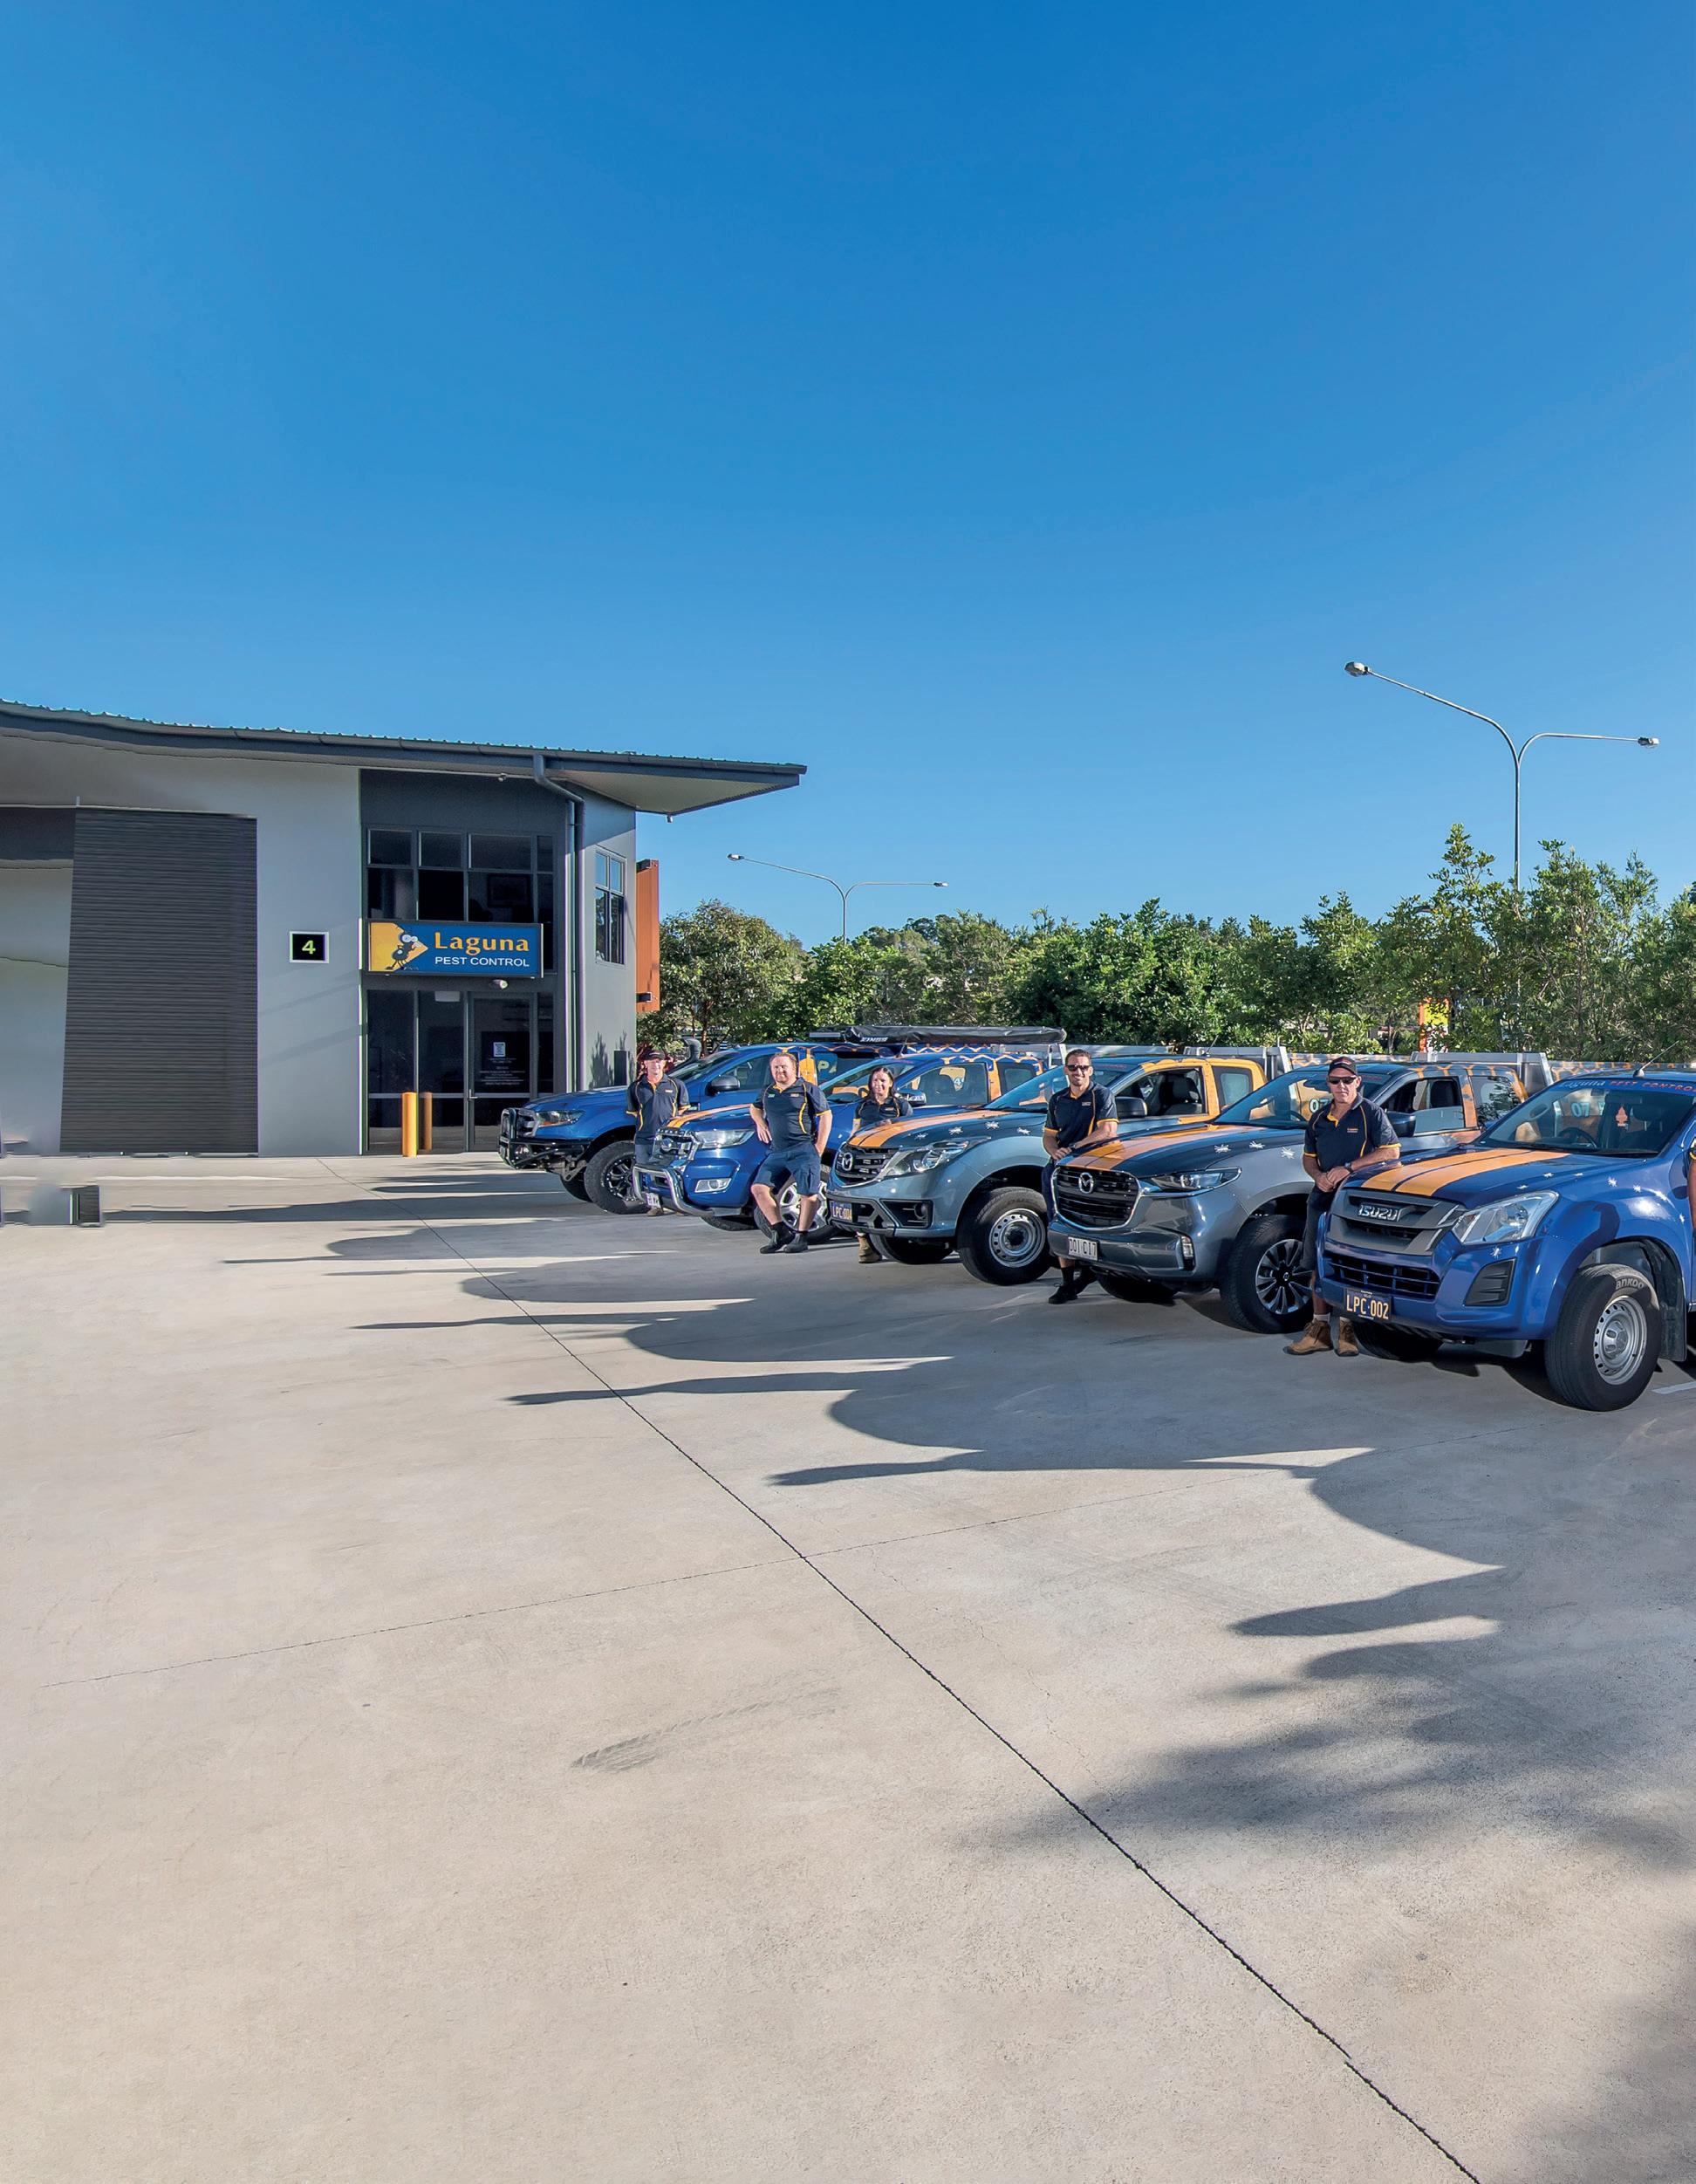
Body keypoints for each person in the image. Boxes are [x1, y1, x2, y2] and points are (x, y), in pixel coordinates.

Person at [1285, 1053, 1399, 1358]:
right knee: (1317, 1263)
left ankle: (1348, 1330)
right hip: (1321, 1199)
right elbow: (1309, 1159)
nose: (1342, 1086)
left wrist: (1348, 1169)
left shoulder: (1371, 1113)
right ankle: (1319, 1330)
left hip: (1354, 1204)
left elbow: (1391, 1152)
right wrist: (1319, 1176)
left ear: (1357, 1081)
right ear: (1328, 1084)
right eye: (1335, 1081)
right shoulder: (1319, 1119)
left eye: (1347, 1080)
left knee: (1349, 1266)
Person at [1044, 1050, 1118, 1303]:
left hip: (1091, 1169)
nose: (1079, 1072)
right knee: (1059, 1221)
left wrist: (1074, 1148)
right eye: (1074, 1067)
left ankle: (1092, 1270)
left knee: (1091, 1220)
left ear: (1091, 1070)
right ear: (1066, 1070)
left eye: (1084, 1067)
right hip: (1060, 1169)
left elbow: (1107, 1130)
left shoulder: (1101, 1095)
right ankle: (1068, 1283)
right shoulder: (1058, 1100)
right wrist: (1055, 1152)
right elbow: (1049, 1135)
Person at [749, 1051, 831, 1254]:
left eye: (784, 1067)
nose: (780, 1071)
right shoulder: (768, 1091)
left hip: (803, 1149)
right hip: (777, 1151)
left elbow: (826, 1116)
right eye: (776, 1067)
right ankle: (780, 1231)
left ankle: (801, 1237)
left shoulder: (807, 1089)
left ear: (794, 1068)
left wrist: (819, 1147)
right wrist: (760, 1123)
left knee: (808, 1193)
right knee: (759, 1188)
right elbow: (754, 1107)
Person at [847, 1063, 913, 1263]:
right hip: (863, 1160)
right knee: (857, 1200)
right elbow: (855, 1131)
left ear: (891, 1083)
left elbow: (910, 1132)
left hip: (888, 1161)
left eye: (883, 1080)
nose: (879, 1084)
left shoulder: (900, 1105)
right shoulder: (862, 1106)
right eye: (875, 1080)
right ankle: (865, 1245)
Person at [626, 1049, 689, 1214]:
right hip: (644, 1138)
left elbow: (683, 1109)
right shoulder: (636, 1087)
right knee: (648, 1174)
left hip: (669, 1139)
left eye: (659, 1061)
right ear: (645, 1063)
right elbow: (634, 1111)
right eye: (653, 1061)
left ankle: (678, 1206)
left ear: (664, 1063)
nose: (656, 1064)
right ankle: (655, 1206)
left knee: (672, 1172)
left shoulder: (676, 1085)